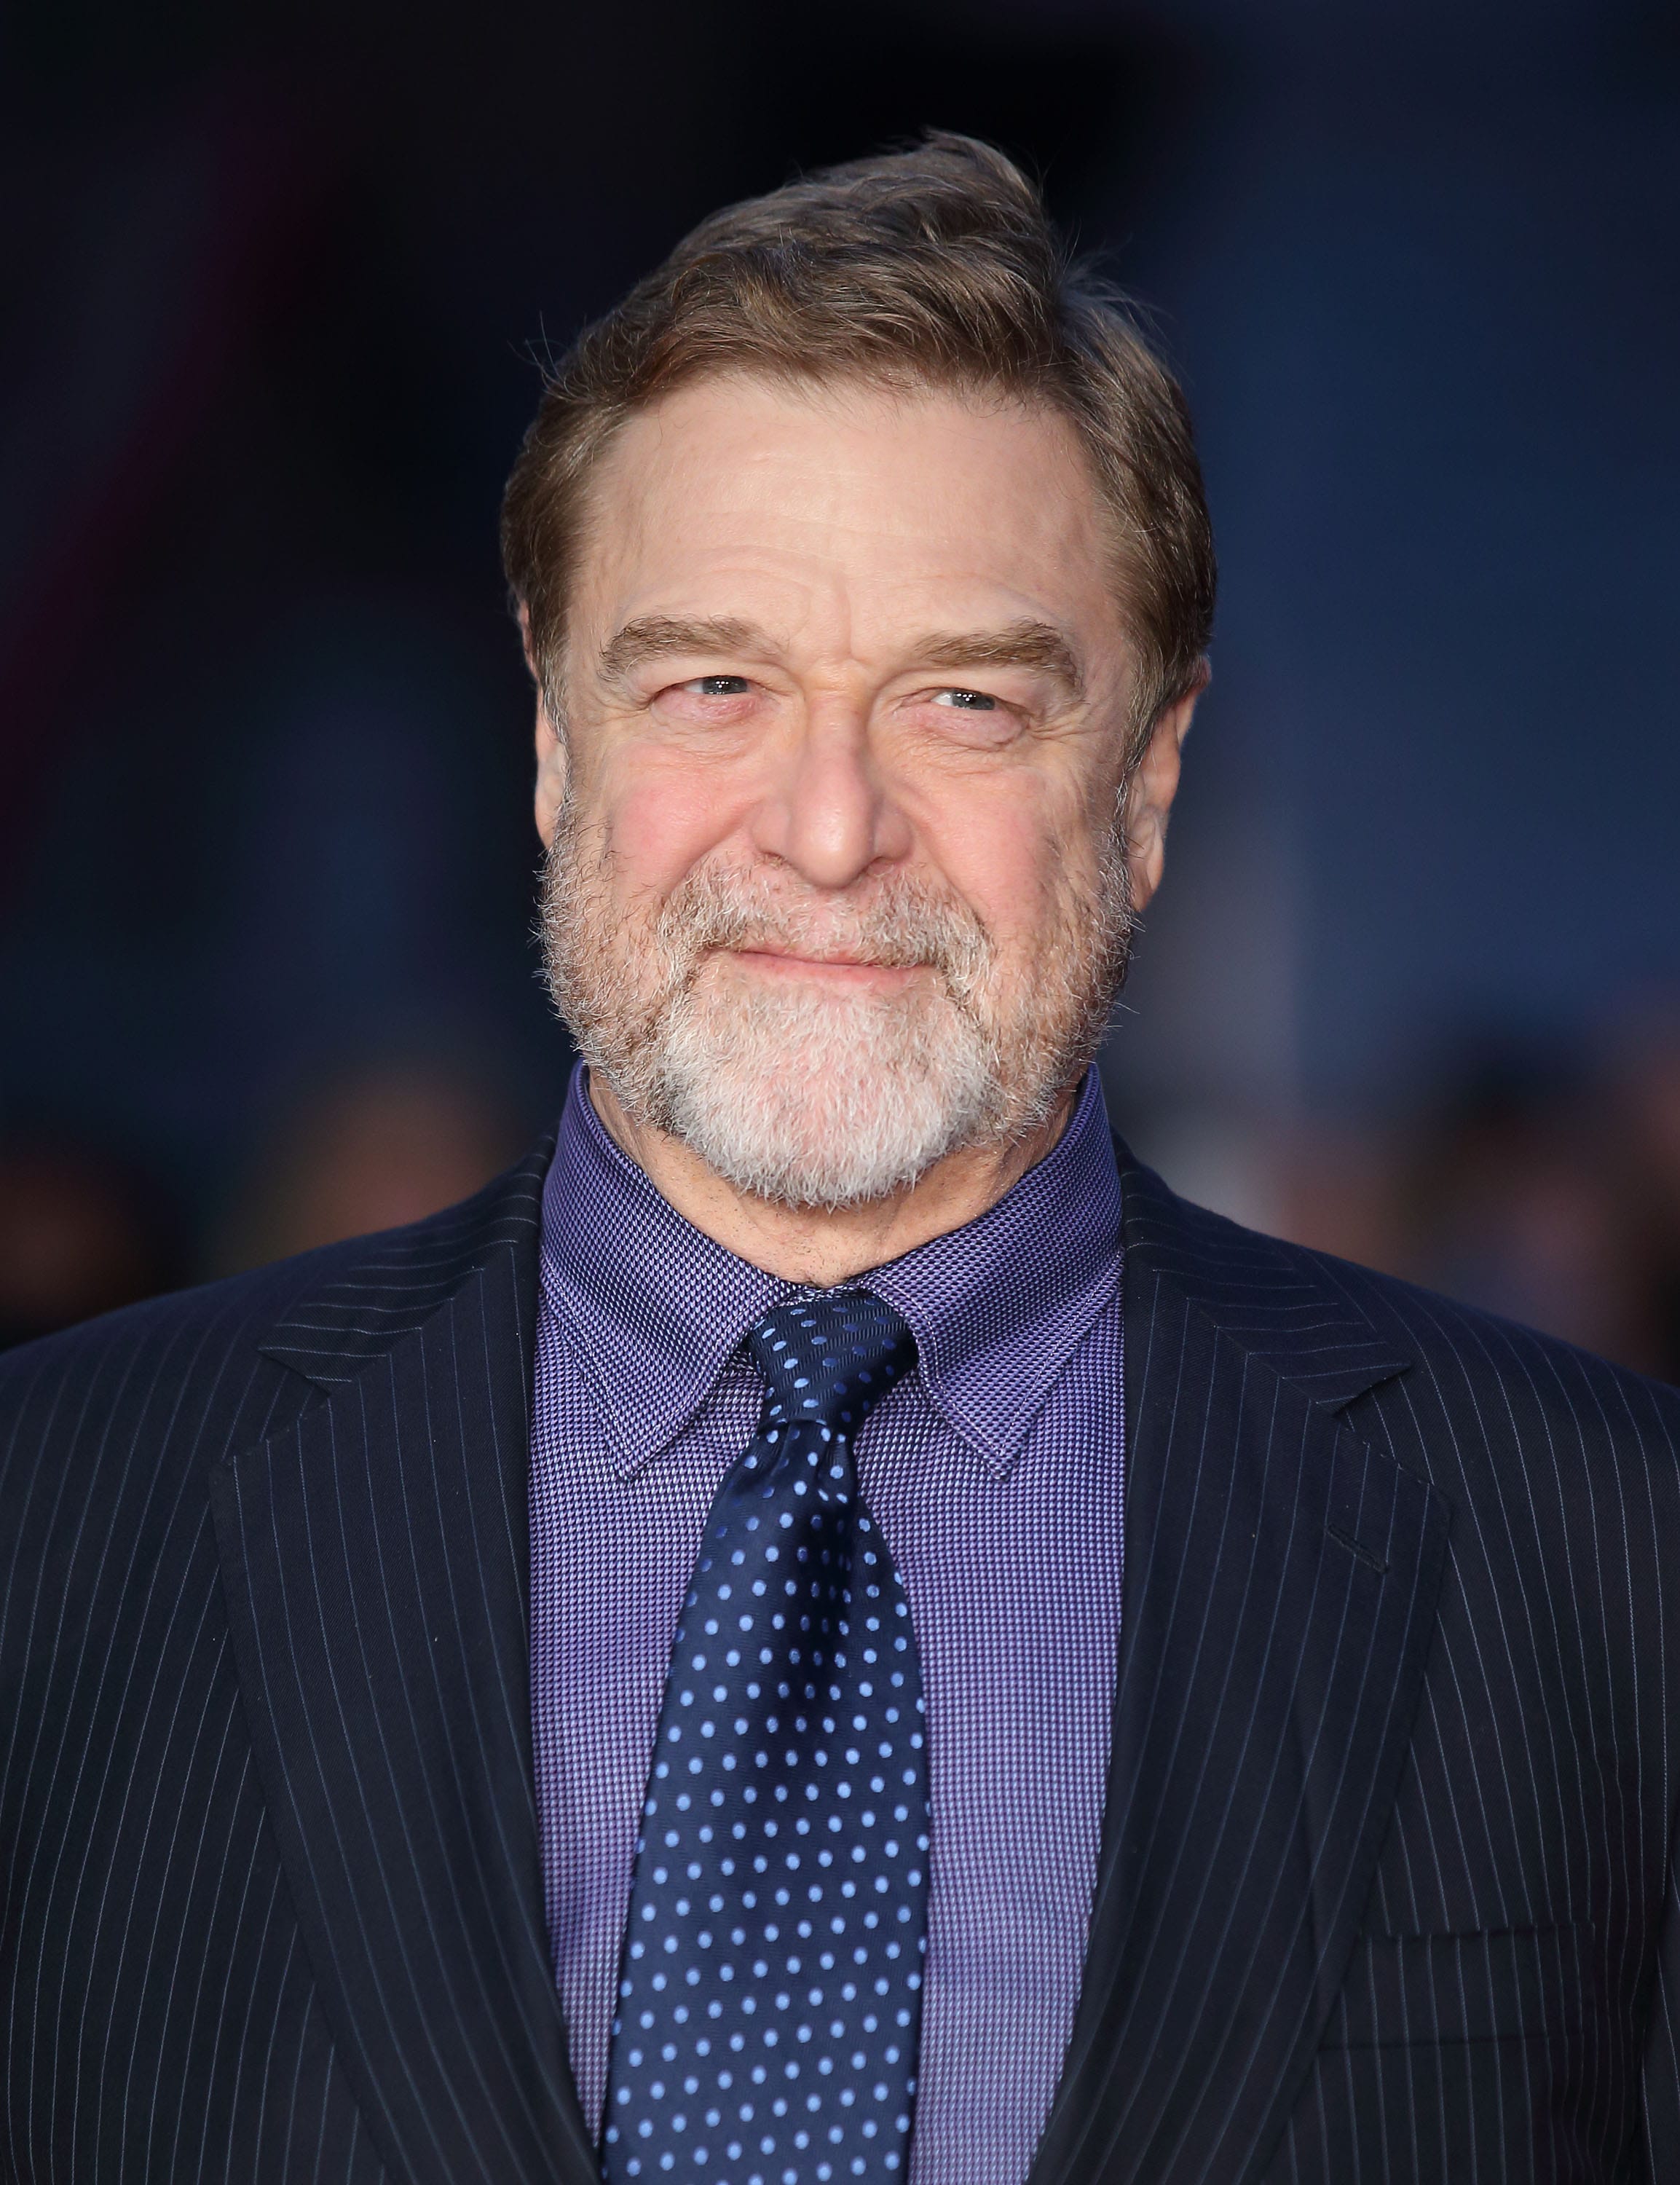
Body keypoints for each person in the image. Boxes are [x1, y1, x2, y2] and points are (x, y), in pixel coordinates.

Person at [3, 135, 1677, 2185]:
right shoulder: (50, 1527)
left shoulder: (1610, 1566)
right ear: (554, 744)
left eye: (962, 702)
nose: (823, 831)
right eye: (713, 685)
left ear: (1147, 784)